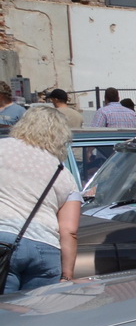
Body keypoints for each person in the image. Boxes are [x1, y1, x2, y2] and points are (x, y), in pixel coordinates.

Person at [0, 106, 83, 292]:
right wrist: (66, 276)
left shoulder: (2, 148)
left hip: (3, 241)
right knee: (39, 316)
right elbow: (69, 231)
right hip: (46, 248)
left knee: (4, 316)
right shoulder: (63, 173)